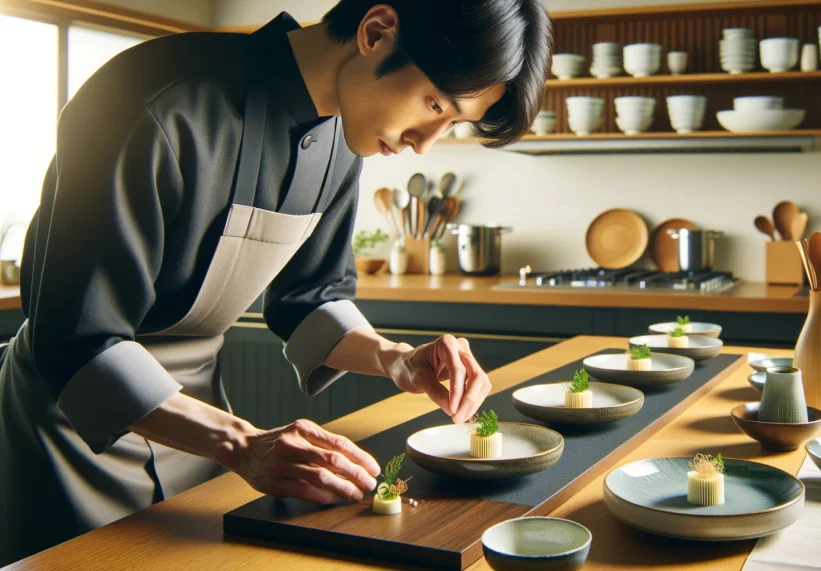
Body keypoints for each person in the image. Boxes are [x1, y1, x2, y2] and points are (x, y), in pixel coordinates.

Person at [0, 0, 551, 564]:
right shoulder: (151, 100)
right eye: (435, 104)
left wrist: (395, 359)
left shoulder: (344, 134)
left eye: (451, 124)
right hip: (68, 436)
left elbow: (309, 298)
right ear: (377, 32)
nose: (425, 142)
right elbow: (77, 340)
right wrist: (241, 442)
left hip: (200, 430)